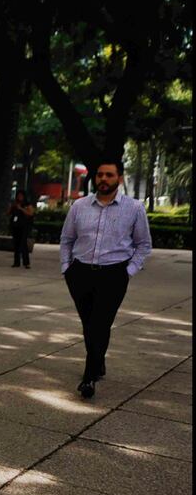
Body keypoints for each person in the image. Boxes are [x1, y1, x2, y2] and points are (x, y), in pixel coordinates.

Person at [60, 158, 152, 399]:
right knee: (88, 323)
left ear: (119, 179)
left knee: (100, 323)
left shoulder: (134, 208)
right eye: (100, 175)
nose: (103, 179)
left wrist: (129, 270)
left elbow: (143, 245)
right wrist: (66, 268)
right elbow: (67, 240)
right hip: (80, 273)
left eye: (109, 175)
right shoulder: (79, 206)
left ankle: (89, 377)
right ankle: (98, 361)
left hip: (113, 274)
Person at [8, 189, 34, 268]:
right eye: (18, 196)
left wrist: (21, 209)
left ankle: (26, 262)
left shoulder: (27, 205)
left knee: (23, 244)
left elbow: (30, 213)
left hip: (24, 226)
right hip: (16, 226)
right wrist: (12, 207)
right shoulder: (15, 204)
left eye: (21, 196)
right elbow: (8, 213)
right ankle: (16, 262)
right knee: (16, 244)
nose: (20, 197)